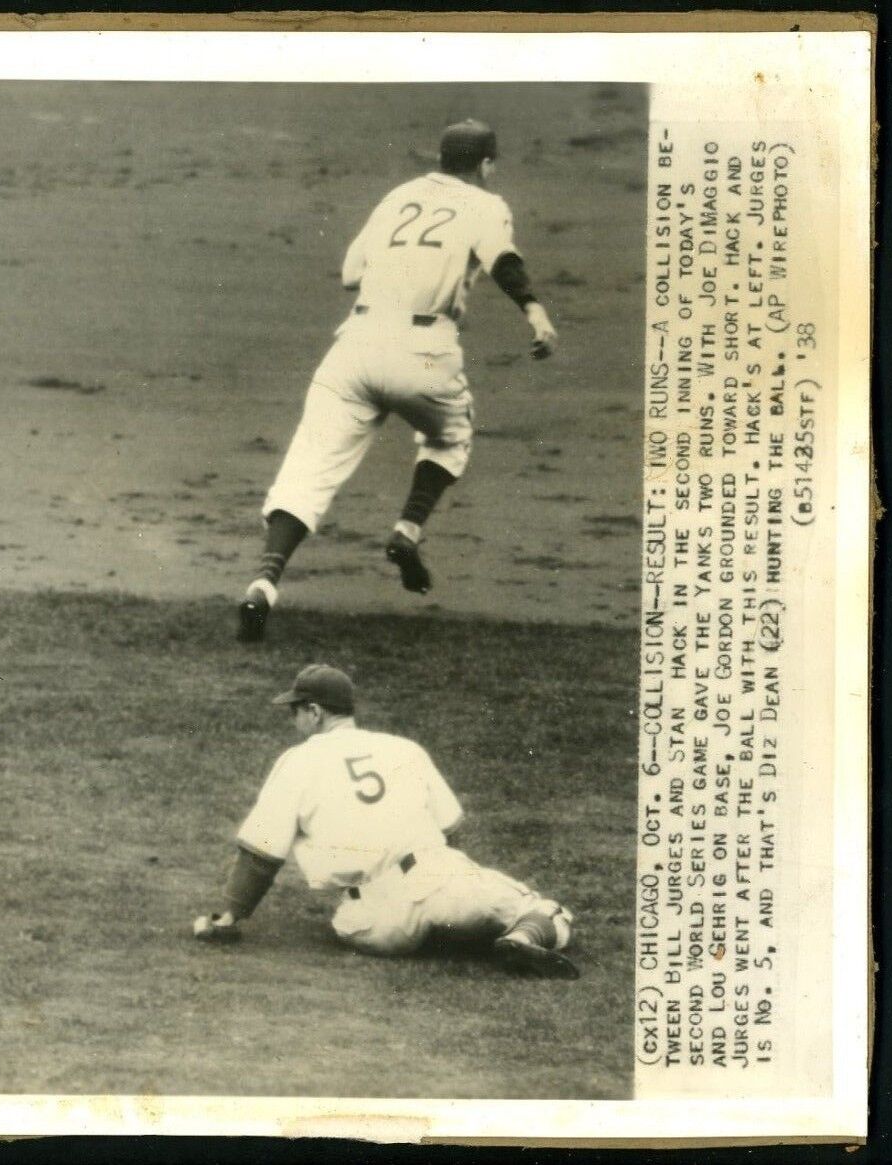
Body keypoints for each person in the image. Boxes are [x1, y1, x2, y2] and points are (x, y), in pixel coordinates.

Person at [237, 119, 558, 642]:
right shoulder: (487, 203)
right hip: (426, 354)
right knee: (451, 435)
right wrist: (535, 312)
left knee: (306, 472)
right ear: (486, 166)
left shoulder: (397, 197)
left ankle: (263, 584)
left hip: (356, 345)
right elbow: (503, 259)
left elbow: (349, 273)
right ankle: (407, 529)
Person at [191, 665, 579, 979]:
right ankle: (518, 935)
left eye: (295, 709)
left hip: (371, 920)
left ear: (315, 712)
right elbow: (452, 829)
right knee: (547, 911)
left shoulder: (297, 761)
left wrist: (228, 917)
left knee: (387, 913)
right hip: (437, 879)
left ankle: (448, 932)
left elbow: (261, 853)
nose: (293, 719)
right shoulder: (404, 749)